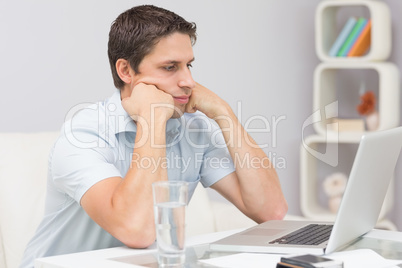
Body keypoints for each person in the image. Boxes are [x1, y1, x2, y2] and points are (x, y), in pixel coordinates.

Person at [20, 4, 288, 267]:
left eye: (188, 65)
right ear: (125, 71)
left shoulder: (192, 129)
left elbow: (271, 211)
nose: (188, 82)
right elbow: (138, 231)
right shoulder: (83, 134)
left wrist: (223, 112)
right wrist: (152, 118)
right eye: (170, 67)